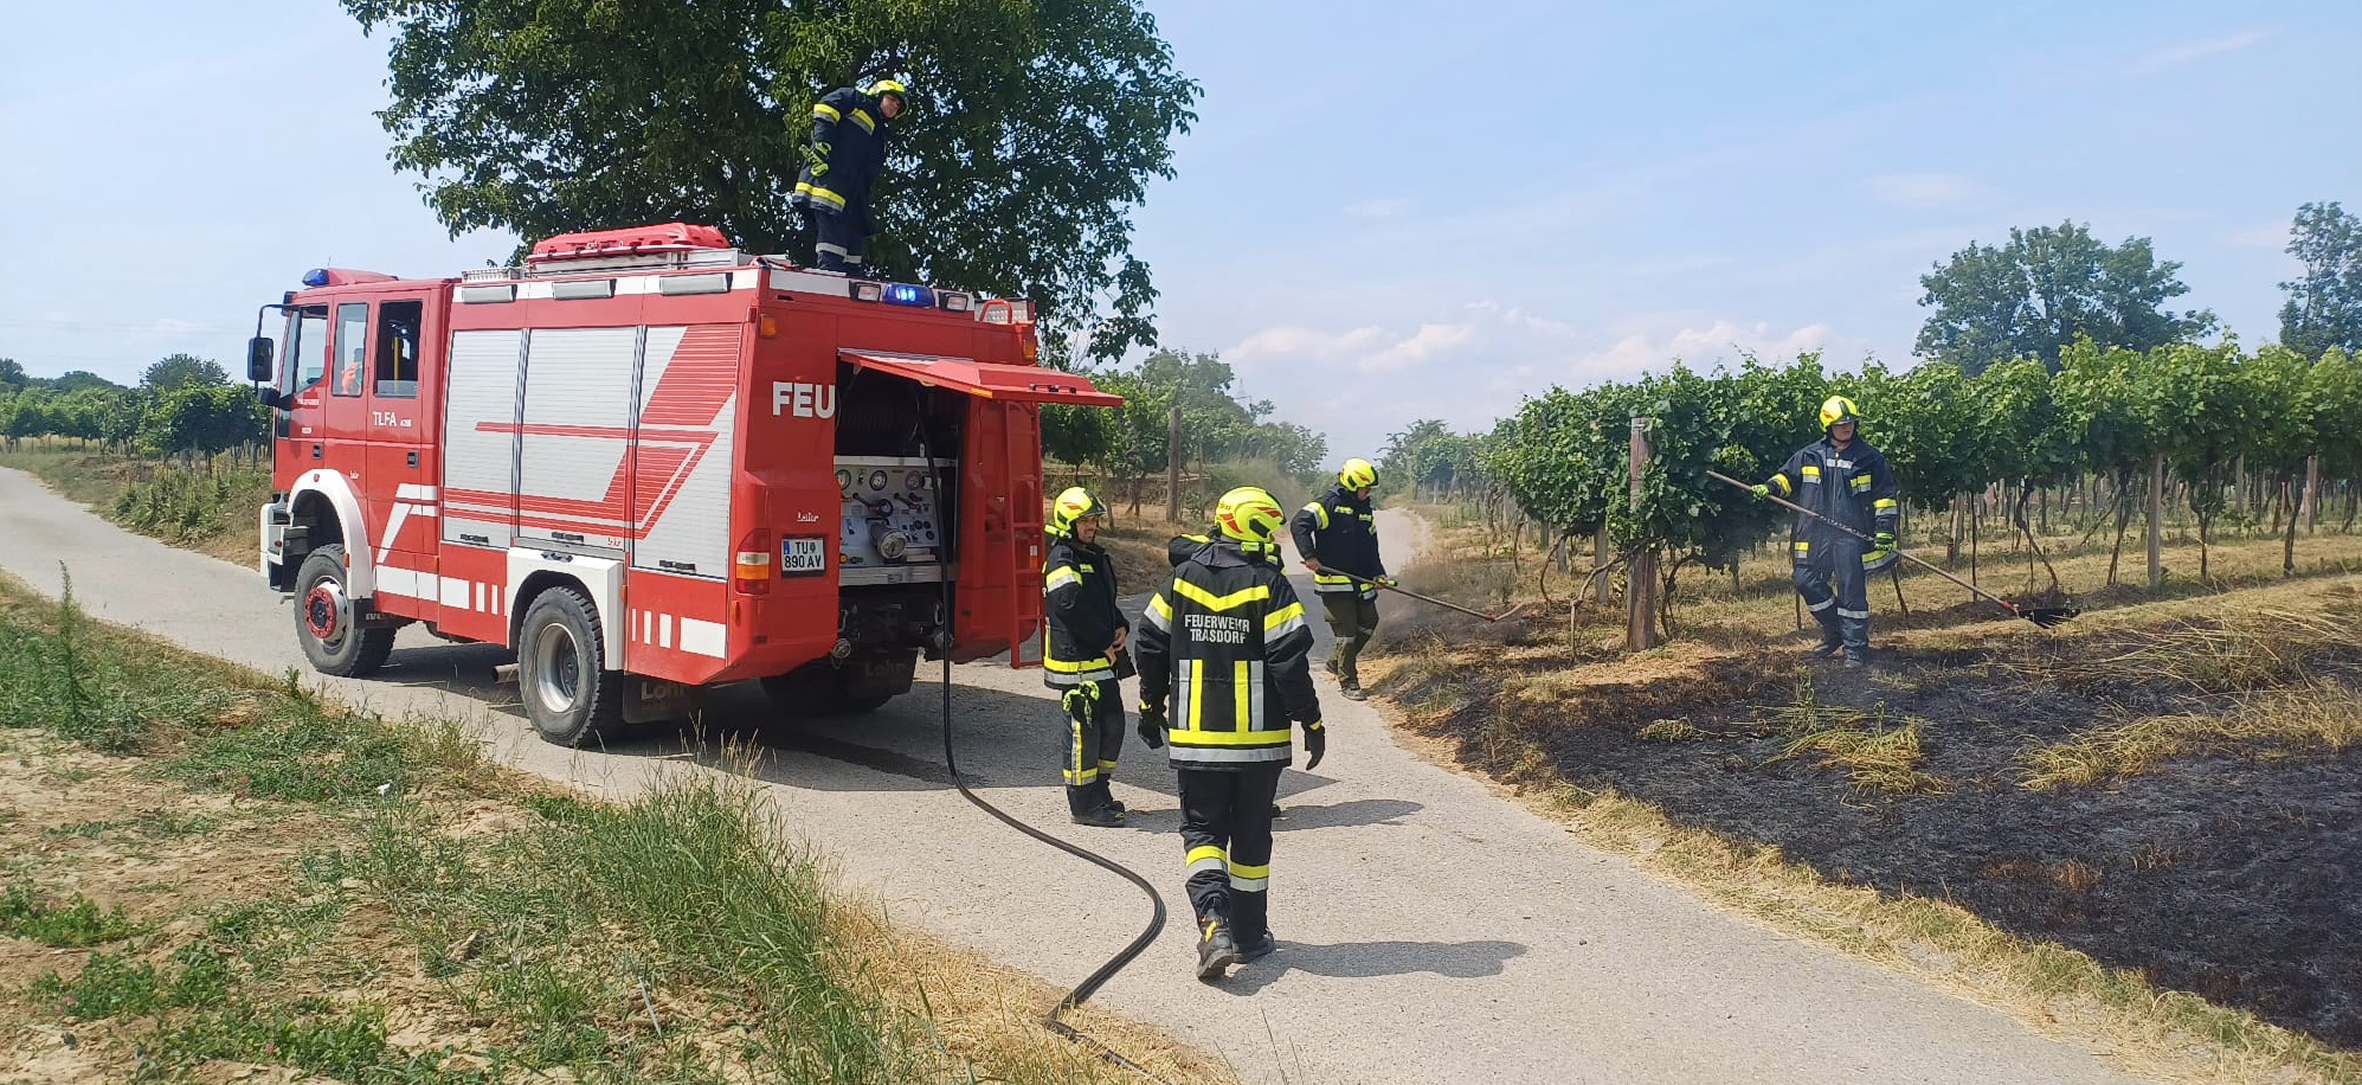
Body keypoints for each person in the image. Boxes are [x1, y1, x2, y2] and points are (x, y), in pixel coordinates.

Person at [1133, 486, 1326, 981]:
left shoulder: (1181, 579)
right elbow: (1289, 662)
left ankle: (1211, 924)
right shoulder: (1268, 583)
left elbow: (1149, 643)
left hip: (1197, 739)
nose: (1276, 541)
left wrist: (1151, 706)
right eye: (1270, 529)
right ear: (1252, 527)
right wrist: (1311, 719)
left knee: (1201, 835)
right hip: (1258, 743)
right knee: (1250, 837)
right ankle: (1247, 935)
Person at [1751, 395, 1901, 669]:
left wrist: (1885, 530)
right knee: (1804, 580)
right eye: (1842, 423)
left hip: (1850, 535)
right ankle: (1835, 632)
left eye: (1851, 423)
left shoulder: (1870, 458)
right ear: (1828, 425)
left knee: (1851, 592)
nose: (1847, 427)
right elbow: (1786, 477)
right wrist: (1770, 487)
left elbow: (1885, 496)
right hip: (1812, 532)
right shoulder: (1809, 455)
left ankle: (1855, 649)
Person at [1042, 487, 1130, 827]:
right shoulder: (1062, 558)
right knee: (1083, 734)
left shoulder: (1091, 555)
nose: (1091, 526)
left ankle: (1100, 791)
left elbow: (1102, 603)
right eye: (1085, 521)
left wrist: (1120, 625)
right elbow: (1069, 607)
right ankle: (1083, 804)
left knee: (1113, 726)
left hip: (1100, 659)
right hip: (1077, 662)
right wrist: (1104, 639)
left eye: (1094, 520)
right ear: (1068, 522)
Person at [1290, 458, 1393, 700]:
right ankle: (1349, 682)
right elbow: (1299, 524)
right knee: (1346, 632)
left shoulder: (1365, 509)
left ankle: (1337, 662)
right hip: (1335, 582)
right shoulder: (1328, 504)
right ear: (1351, 484)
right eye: (1364, 488)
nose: (1367, 493)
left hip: (1361, 581)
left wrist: (1378, 573)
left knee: (1369, 621)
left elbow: (1371, 546)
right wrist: (1309, 555)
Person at [790, 79, 908, 274]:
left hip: (852, 197)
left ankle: (849, 281)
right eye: (893, 99)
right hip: (829, 186)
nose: (896, 106)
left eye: (899, 105)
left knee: (853, 248)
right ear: (878, 95)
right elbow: (826, 106)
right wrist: (822, 143)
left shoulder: (879, 133)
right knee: (832, 246)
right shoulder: (855, 100)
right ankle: (830, 277)